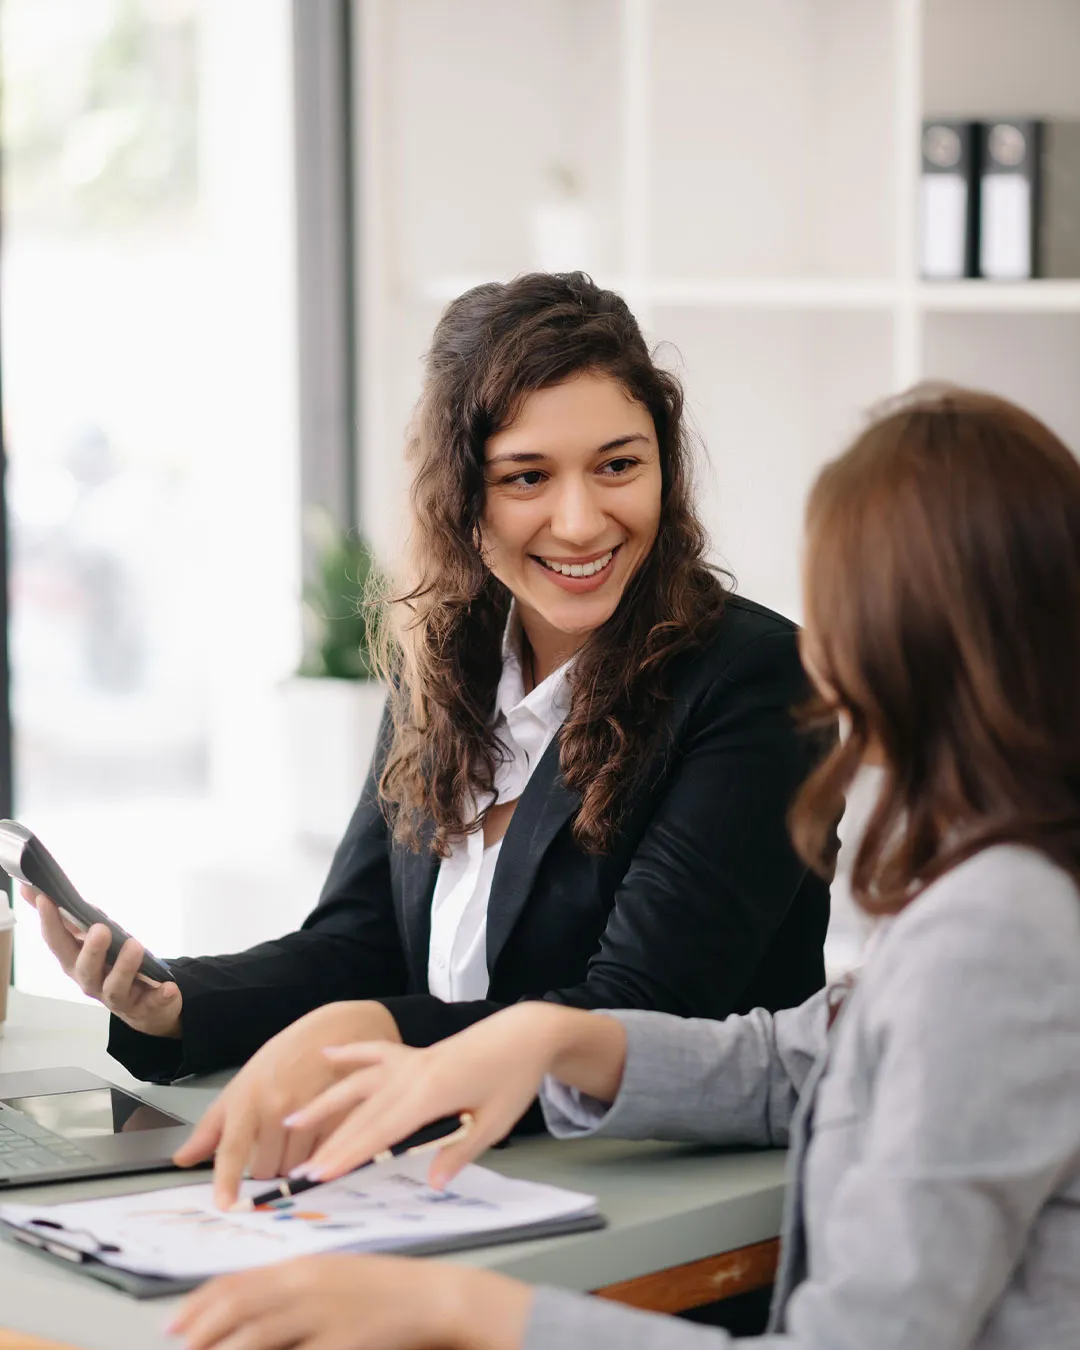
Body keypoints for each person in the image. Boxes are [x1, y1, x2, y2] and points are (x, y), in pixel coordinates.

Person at [171, 385, 1080, 1350]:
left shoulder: (995, 931)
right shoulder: (1006, 881)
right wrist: (551, 1040)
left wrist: (464, 1311)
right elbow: (799, 1062)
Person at [25, 272, 829, 1207]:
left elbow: (639, 1014)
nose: (581, 521)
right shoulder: (447, 660)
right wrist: (176, 1002)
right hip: (458, 1175)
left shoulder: (756, 679)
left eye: (618, 466)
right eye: (527, 477)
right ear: (460, 496)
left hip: (667, 1196)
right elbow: (359, 942)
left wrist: (370, 1031)